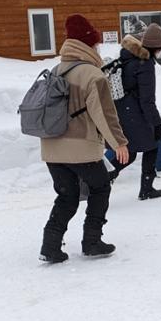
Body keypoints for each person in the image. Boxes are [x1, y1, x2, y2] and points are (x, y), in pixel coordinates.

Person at [39, 14, 129, 263]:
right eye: (96, 44)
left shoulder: (57, 70)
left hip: (52, 147)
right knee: (100, 187)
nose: (98, 48)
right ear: (89, 45)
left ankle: (50, 246)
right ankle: (92, 241)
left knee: (67, 196)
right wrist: (118, 142)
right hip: (81, 148)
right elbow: (105, 113)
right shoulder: (92, 75)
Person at [108, 24, 161, 200]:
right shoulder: (145, 63)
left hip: (123, 110)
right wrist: (157, 124)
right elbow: (147, 100)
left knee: (131, 152)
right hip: (135, 113)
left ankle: (102, 179)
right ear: (157, 47)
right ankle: (145, 189)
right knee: (152, 145)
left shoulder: (129, 57)